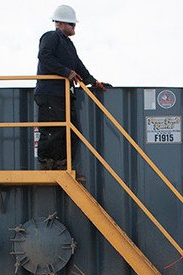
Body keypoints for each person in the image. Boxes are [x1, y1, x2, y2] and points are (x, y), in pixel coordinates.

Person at [34, 4, 106, 170]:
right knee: (53, 129)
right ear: (60, 23)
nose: (74, 27)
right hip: (50, 92)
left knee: (71, 131)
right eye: (71, 24)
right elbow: (44, 55)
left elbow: (78, 65)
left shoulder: (68, 45)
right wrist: (66, 72)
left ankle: (61, 162)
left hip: (63, 94)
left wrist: (93, 81)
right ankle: (46, 162)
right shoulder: (51, 36)